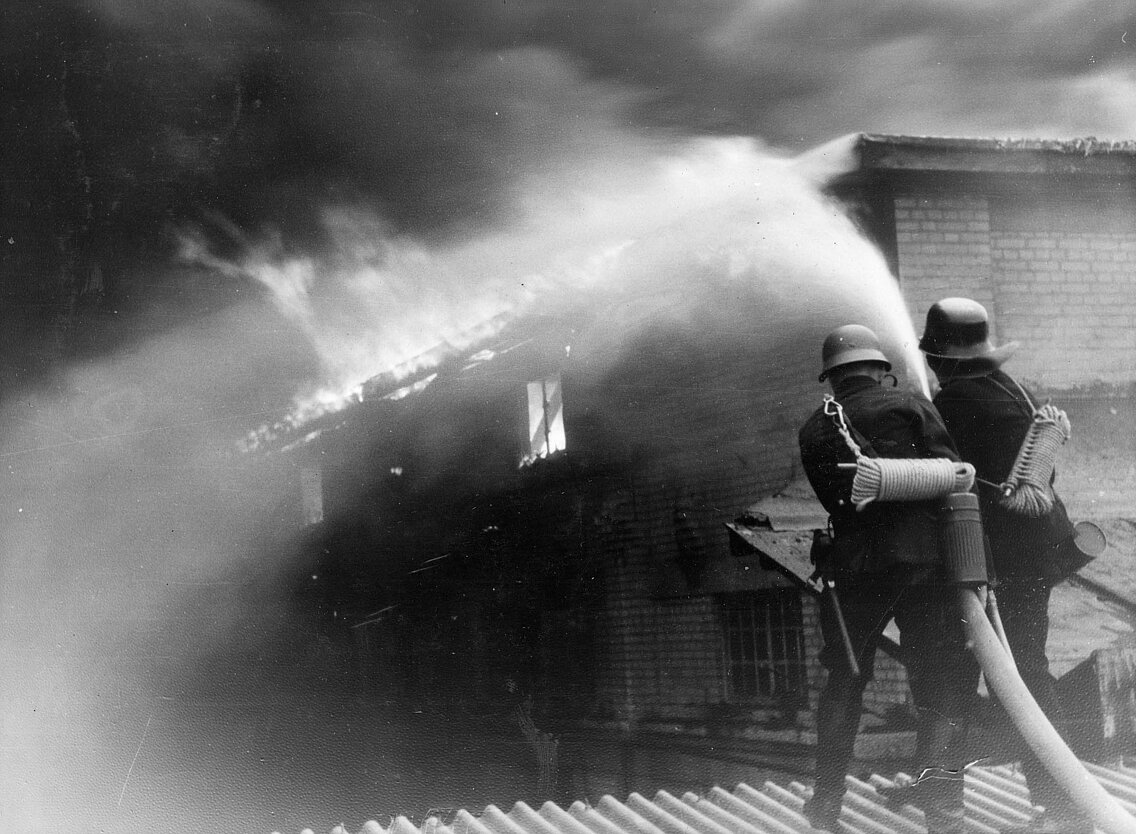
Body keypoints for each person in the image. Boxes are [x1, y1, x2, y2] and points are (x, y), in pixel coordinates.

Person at [918, 297, 1093, 834]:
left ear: (942, 360)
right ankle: (1062, 803)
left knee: (950, 683)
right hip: (1037, 554)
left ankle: (944, 815)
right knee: (1028, 674)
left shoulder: (949, 404)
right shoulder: (1017, 392)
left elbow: (941, 481)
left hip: (988, 562)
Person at [797, 325, 978, 834]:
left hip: (852, 570)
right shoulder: (912, 405)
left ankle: (825, 806)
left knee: (845, 681)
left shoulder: (814, 428)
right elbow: (951, 473)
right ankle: (943, 817)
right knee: (939, 680)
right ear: (880, 370)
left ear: (831, 379)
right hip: (923, 565)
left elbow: (834, 499)